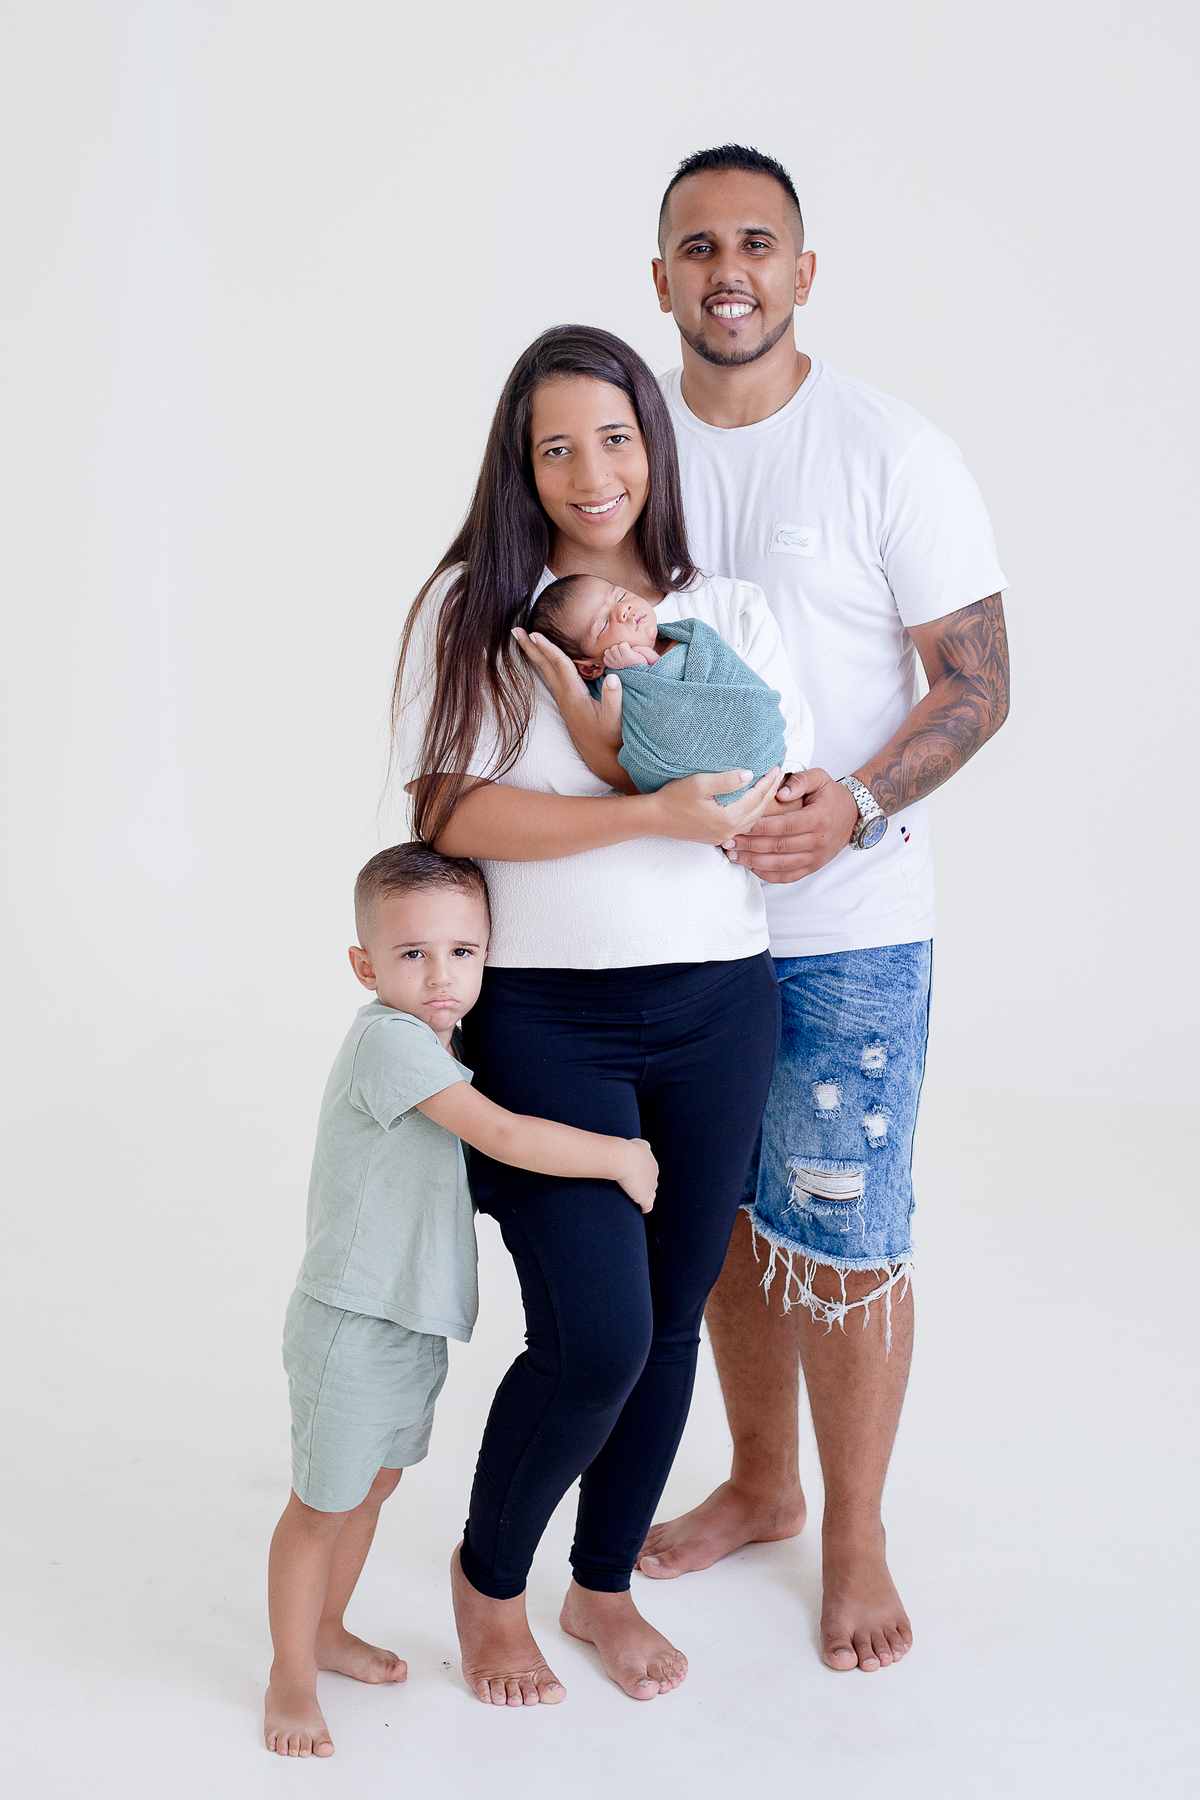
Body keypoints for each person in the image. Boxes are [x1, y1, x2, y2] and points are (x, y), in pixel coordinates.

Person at [628, 142, 1010, 1675]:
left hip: (850, 926)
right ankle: (763, 1484)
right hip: (673, 925)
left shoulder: (888, 448)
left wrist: (851, 800)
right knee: (723, 1218)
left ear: (802, 271)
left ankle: (855, 1536)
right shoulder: (624, 446)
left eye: (757, 242)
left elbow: (977, 682)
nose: (729, 270)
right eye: (699, 245)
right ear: (661, 277)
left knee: (845, 1232)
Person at [392, 324, 814, 1705]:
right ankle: (489, 1582)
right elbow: (450, 810)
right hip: (545, 1023)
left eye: (617, 438)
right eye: (557, 447)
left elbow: (749, 789)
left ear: (654, 445)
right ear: (521, 467)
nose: (592, 474)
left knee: (672, 1321)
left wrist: (601, 744)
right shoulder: (477, 613)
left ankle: (602, 1584)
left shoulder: (724, 608)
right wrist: (643, 807)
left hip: (716, 1007)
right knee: (596, 1337)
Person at [264, 842, 658, 1756]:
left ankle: (327, 1632)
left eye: (462, 952)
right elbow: (502, 1135)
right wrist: (618, 1155)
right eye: (413, 954)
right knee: (321, 1508)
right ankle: (288, 1675)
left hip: (408, 1323)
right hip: (354, 1322)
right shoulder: (390, 1042)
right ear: (365, 965)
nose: (441, 975)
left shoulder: (440, 1042)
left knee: (371, 1490)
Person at [527, 572, 790, 801]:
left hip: (765, 741)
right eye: (604, 624)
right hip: (717, 783)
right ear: (589, 667)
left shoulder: (690, 635)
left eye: (620, 596)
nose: (623, 610)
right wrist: (635, 672)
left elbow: (729, 672)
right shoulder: (612, 687)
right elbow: (663, 725)